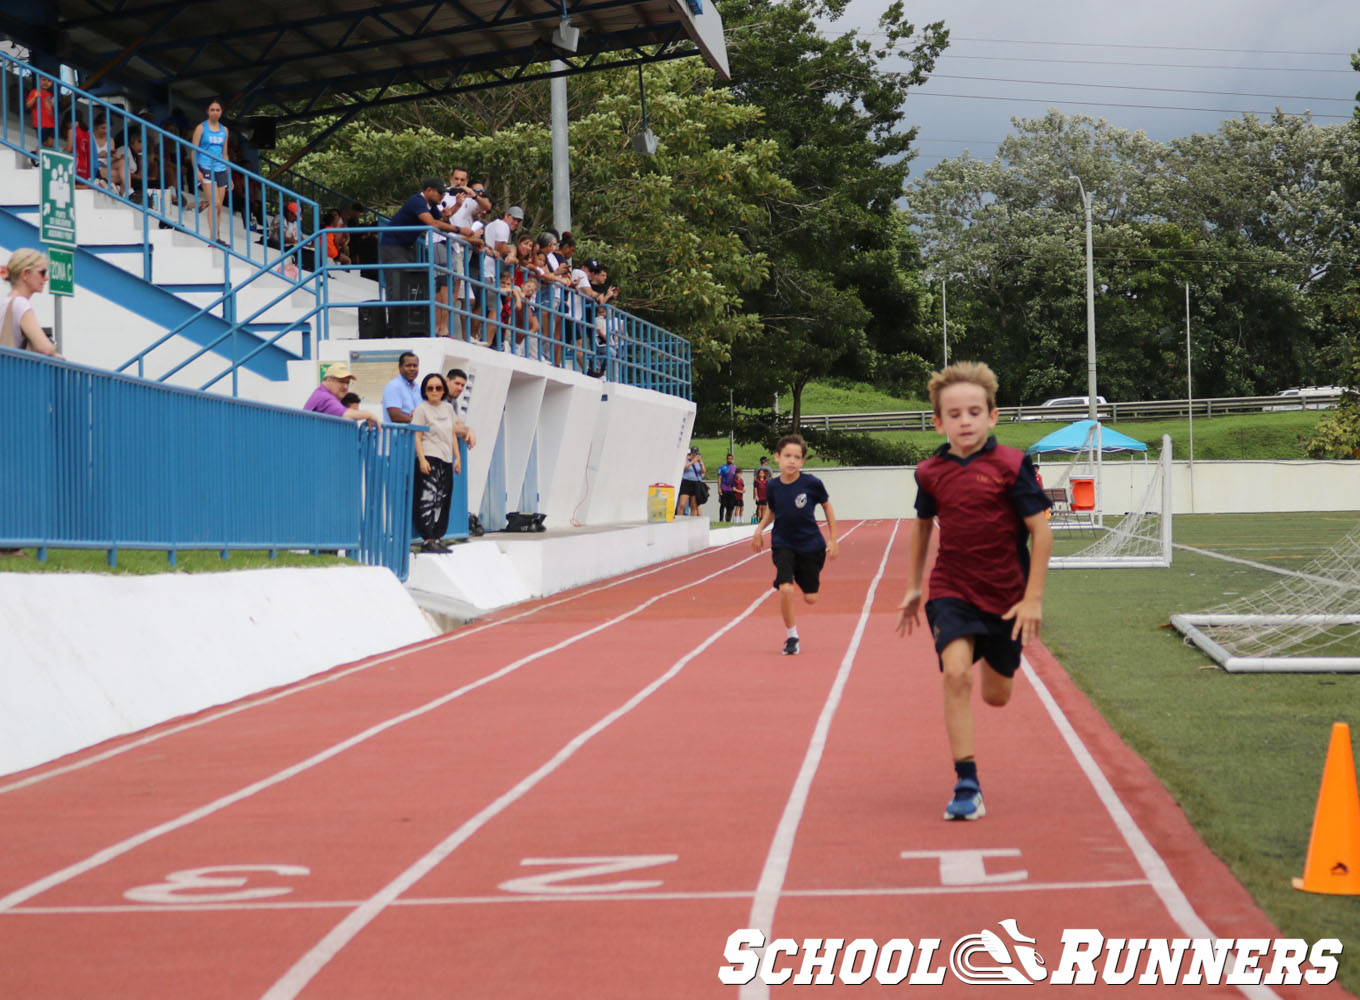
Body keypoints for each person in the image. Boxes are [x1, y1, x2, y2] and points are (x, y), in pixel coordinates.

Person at [895, 361, 1053, 822]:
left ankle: (995, 657)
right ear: (938, 422)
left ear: (993, 416)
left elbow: (1040, 535)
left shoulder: (1013, 466)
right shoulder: (930, 472)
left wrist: (1033, 597)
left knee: (996, 696)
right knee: (956, 674)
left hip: (1007, 595)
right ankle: (967, 782)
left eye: (974, 412)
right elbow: (922, 527)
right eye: (955, 414)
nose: (965, 421)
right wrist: (912, 587)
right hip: (953, 587)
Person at [751, 434, 838, 656]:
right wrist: (759, 530)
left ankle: (796, 577)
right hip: (783, 543)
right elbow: (772, 509)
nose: (792, 461)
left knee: (811, 598)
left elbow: (827, 507)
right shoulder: (772, 486)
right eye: (787, 456)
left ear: (802, 461)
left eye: (797, 457)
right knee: (786, 589)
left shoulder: (812, 484)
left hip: (811, 546)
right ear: (777, 457)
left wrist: (833, 538)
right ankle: (792, 637)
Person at [379, 179, 459, 333]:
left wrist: (449, 214)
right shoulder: (417, 201)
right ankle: (393, 327)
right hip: (393, 245)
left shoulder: (431, 206)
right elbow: (433, 224)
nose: (442, 196)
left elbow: (440, 221)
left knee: (409, 285)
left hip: (406, 247)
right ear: (429, 190)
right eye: (440, 192)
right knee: (396, 284)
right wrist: (459, 229)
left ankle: (406, 325)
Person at [411, 373, 461, 553]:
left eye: (438, 388)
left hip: (446, 459)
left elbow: (453, 433)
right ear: (424, 390)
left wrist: (457, 458)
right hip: (430, 456)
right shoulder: (421, 409)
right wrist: (422, 458)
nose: (434, 391)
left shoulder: (448, 408)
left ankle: (438, 537)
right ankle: (428, 538)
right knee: (427, 499)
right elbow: (417, 436)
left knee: (443, 498)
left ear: (443, 390)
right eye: (430, 388)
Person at [1, 248, 60, 356]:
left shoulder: (4, 302)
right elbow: (45, 347)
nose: (46, 278)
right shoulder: (20, 304)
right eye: (42, 272)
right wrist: (53, 350)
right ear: (25, 274)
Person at [191, 99, 230, 243]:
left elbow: (225, 153)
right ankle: (213, 238)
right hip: (206, 166)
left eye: (217, 110)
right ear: (208, 111)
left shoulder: (224, 130)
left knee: (219, 207)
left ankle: (217, 236)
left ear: (221, 112)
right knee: (215, 204)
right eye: (212, 110)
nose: (215, 112)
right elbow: (193, 150)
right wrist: (196, 170)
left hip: (220, 168)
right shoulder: (201, 128)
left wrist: (228, 174)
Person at [302, 363, 380, 425]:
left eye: (348, 383)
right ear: (328, 380)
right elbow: (346, 414)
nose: (345, 386)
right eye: (341, 381)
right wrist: (368, 414)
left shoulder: (321, 392)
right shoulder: (325, 397)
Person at [381, 351, 422, 424]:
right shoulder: (393, 386)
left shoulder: (418, 388)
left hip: (414, 434)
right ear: (400, 367)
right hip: (397, 434)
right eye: (408, 365)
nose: (412, 369)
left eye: (415, 366)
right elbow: (395, 416)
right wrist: (419, 421)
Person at [444, 367, 477, 449]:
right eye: (457, 383)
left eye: (462, 385)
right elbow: (446, 425)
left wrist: (468, 430)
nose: (460, 388)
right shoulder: (438, 398)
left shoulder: (453, 401)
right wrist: (467, 431)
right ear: (447, 381)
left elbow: (457, 422)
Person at [678, 446, 705, 517]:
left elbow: (703, 471)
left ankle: (692, 522)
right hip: (686, 482)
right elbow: (684, 467)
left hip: (695, 483)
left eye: (696, 453)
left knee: (694, 505)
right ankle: (679, 519)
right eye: (693, 453)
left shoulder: (699, 462)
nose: (694, 455)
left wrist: (701, 463)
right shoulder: (686, 459)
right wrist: (693, 461)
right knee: (682, 504)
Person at [717, 453, 737, 522]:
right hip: (724, 488)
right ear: (726, 459)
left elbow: (737, 478)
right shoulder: (722, 467)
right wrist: (719, 489)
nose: (730, 460)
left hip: (731, 489)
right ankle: (721, 519)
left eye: (731, 459)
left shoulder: (735, 468)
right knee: (723, 504)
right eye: (728, 459)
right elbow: (719, 478)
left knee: (731, 506)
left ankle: (728, 519)